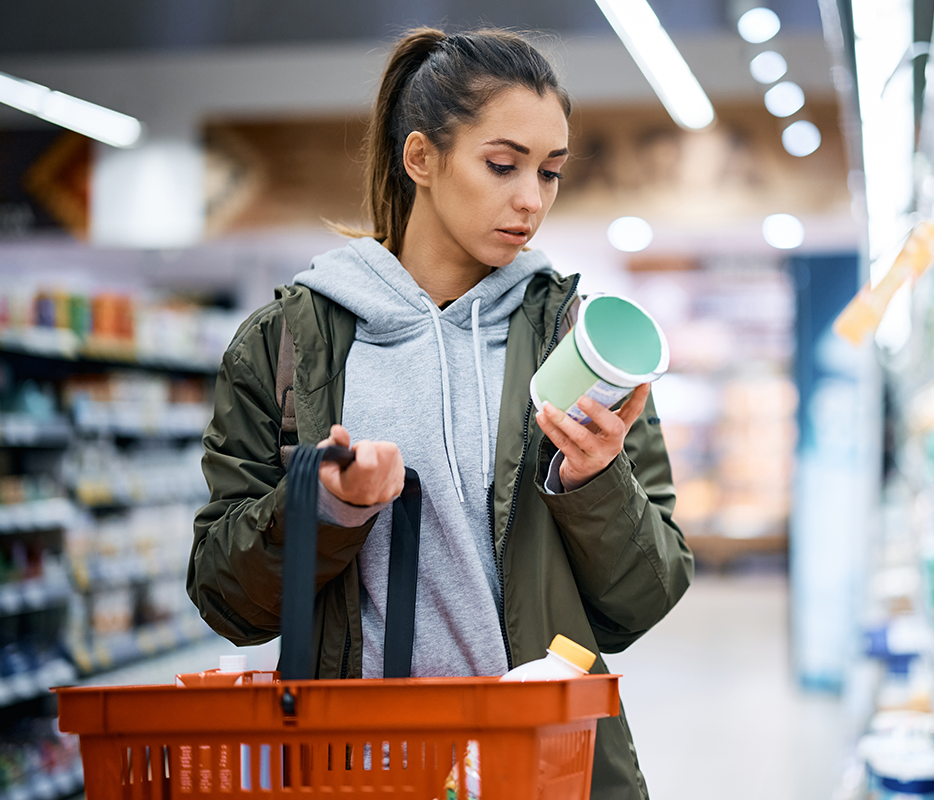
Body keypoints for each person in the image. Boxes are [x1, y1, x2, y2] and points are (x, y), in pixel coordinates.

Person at [188, 27, 693, 799]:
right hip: (357, 770)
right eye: (502, 164)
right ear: (420, 157)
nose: (531, 198)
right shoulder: (288, 345)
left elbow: (643, 598)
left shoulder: (578, 344)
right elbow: (228, 598)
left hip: (542, 766)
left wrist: (596, 482)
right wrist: (327, 508)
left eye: (550, 172)